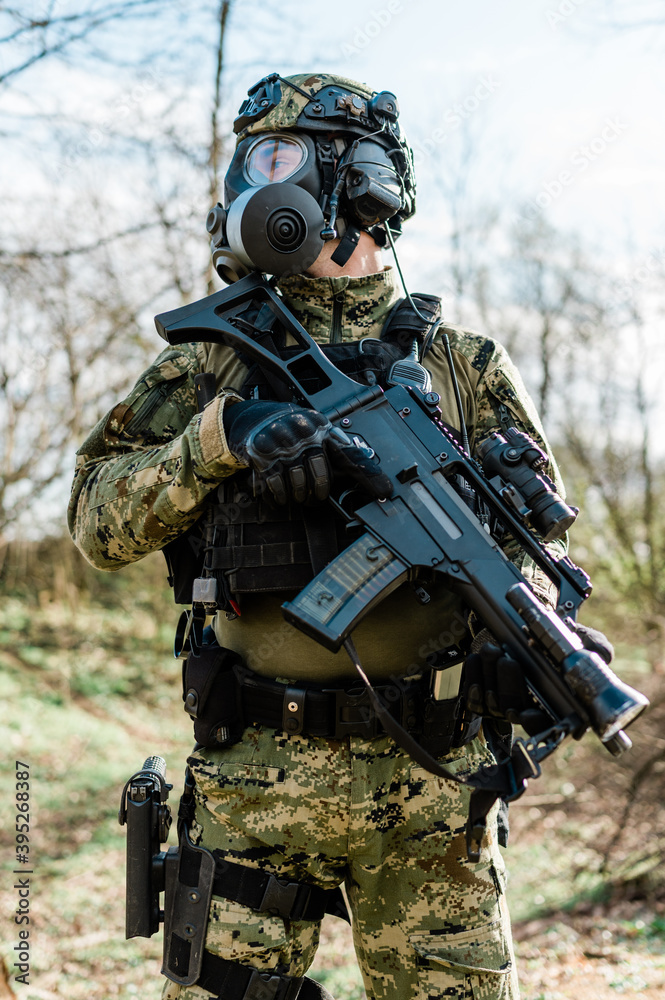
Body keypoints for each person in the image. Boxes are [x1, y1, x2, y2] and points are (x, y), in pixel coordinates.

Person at [68, 72, 584, 1000]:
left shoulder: (460, 366)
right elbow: (96, 525)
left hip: (433, 784)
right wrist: (219, 442)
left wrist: (539, 622)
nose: (252, 185)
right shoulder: (208, 361)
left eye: (280, 157)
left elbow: (533, 545)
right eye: (249, 161)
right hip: (250, 773)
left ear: (362, 180)